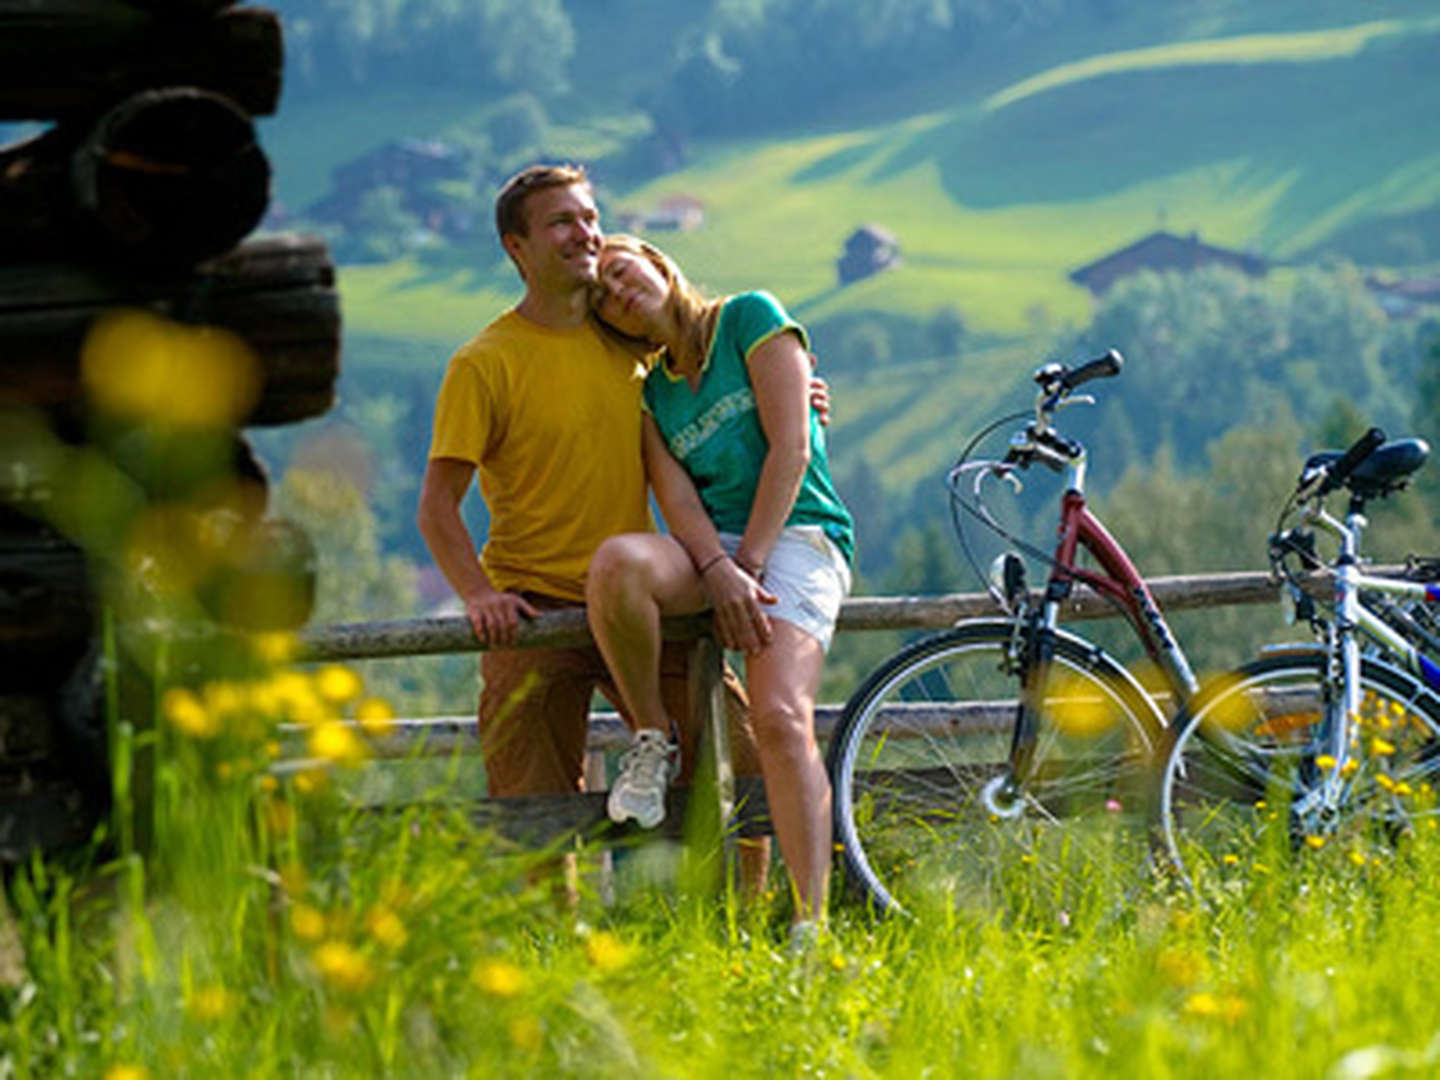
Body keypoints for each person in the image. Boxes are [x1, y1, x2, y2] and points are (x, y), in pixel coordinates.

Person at [416, 164, 763, 835]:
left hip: (637, 603)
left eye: (590, 217)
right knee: (532, 800)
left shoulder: (634, 349)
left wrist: (801, 401)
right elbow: (437, 505)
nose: (586, 234)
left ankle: (742, 919)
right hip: (533, 608)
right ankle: (551, 936)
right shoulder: (485, 363)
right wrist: (478, 594)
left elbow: (718, 394)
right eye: (562, 222)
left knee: (738, 751)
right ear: (517, 248)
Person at [584, 234, 854, 933]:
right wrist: (718, 570)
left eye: (620, 272)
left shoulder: (750, 318)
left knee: (779, 718)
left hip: (798, 533)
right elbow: (678, 504)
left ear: (658, 262)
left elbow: (792, 449)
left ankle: (809, 923)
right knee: (618, 564)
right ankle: (651, 735)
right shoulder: (653, 400)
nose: (618, 293)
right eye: (604, 299)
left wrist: (751, 567)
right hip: (716, 554)